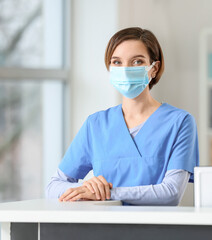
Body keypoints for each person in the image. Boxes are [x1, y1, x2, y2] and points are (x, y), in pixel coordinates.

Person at [46, 27, 199, 206]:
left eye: (137, 62)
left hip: (155, 230)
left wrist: (108, 193)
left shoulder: (180, 122)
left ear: (154, 69)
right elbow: (53, 186)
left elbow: (171, 192)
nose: (125, 70)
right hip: (101, 230)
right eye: (117, 62)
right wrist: (88, 188)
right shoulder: (96, 124)